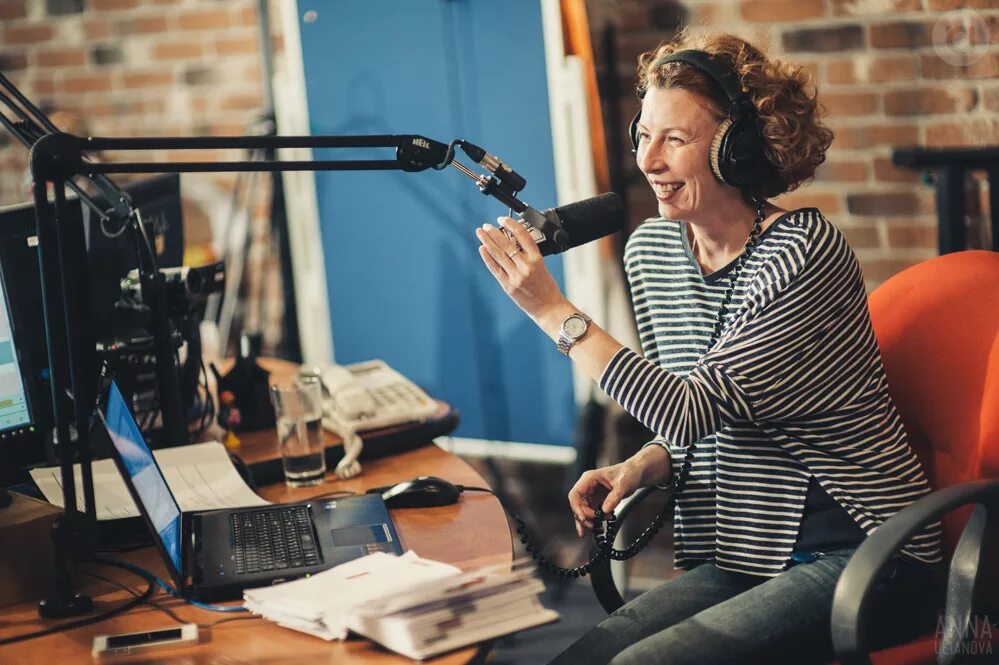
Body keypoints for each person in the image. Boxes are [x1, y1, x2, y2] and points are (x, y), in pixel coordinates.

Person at [475, 31, 943, 665]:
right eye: (643, 134)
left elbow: (691, 407)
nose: (648, 160)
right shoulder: (652, 253)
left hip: (867, 551)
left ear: (736, 150)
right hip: (751, 550)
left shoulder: (803, 253)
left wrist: (551, 310)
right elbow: (701, 416)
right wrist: (646, 461)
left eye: (675, 139)